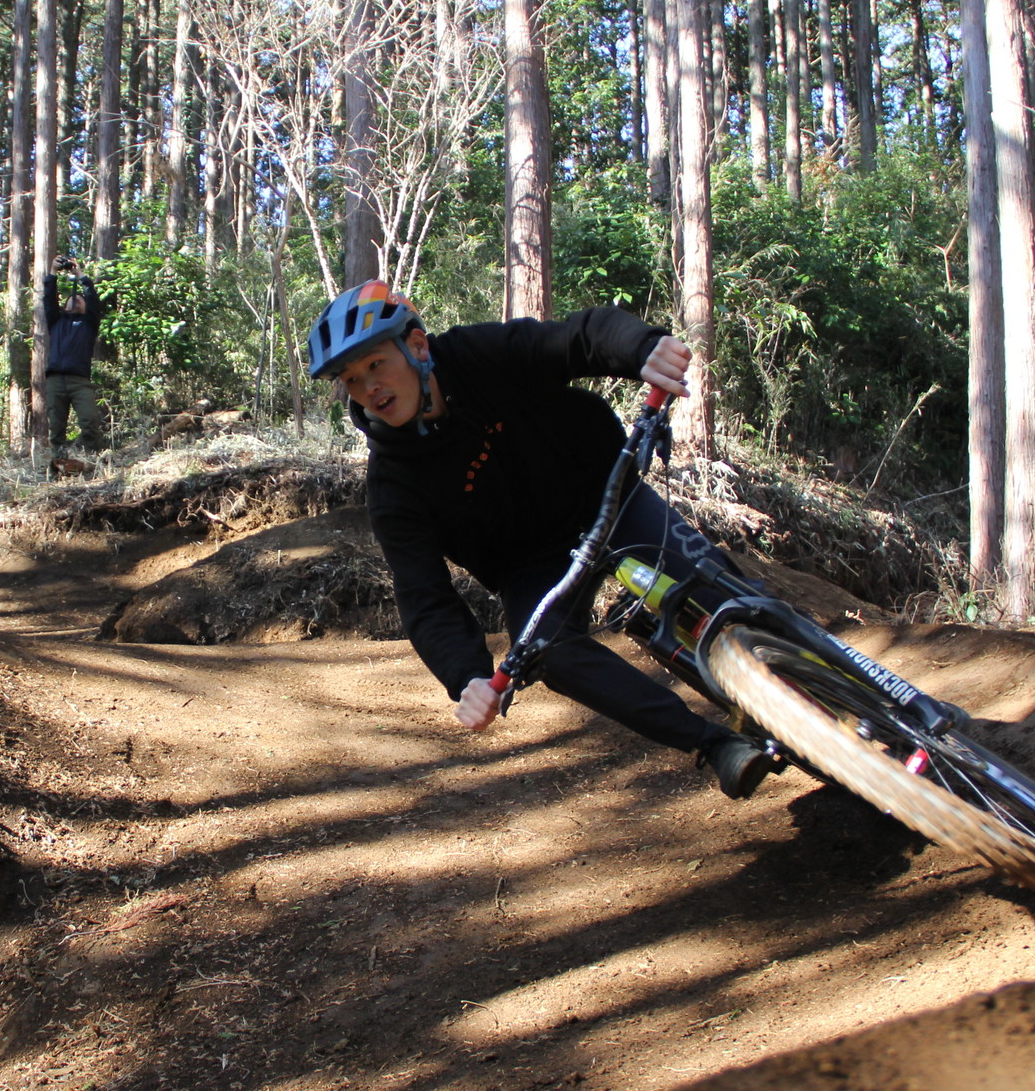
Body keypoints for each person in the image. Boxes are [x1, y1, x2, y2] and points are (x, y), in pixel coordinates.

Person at [307, 279, 773, 798]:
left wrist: (643, 349)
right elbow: (424, 596)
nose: (368, 387)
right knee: (551, 653)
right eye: (350, 379)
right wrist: (466, 677)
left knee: (718, 588)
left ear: (417, 346)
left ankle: (820, 668)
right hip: (530, 566)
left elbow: (570, 339)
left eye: (375, 364)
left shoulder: (474, 355)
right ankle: (715, 745)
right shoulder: (392, 486)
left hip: (605, 497)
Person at [42, 254, 108, 466]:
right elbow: (48, 299)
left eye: (80, 299)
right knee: (57, 428)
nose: (76, 298)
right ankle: (58, 465)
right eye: (73, 298)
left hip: (79, 381)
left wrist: (79, 274)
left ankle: (93, 462)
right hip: (55, 381)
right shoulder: (56, 321)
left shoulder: (88, 323)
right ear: (65, 305)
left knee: (89, 420)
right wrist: (53, 271)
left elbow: (93, 299)